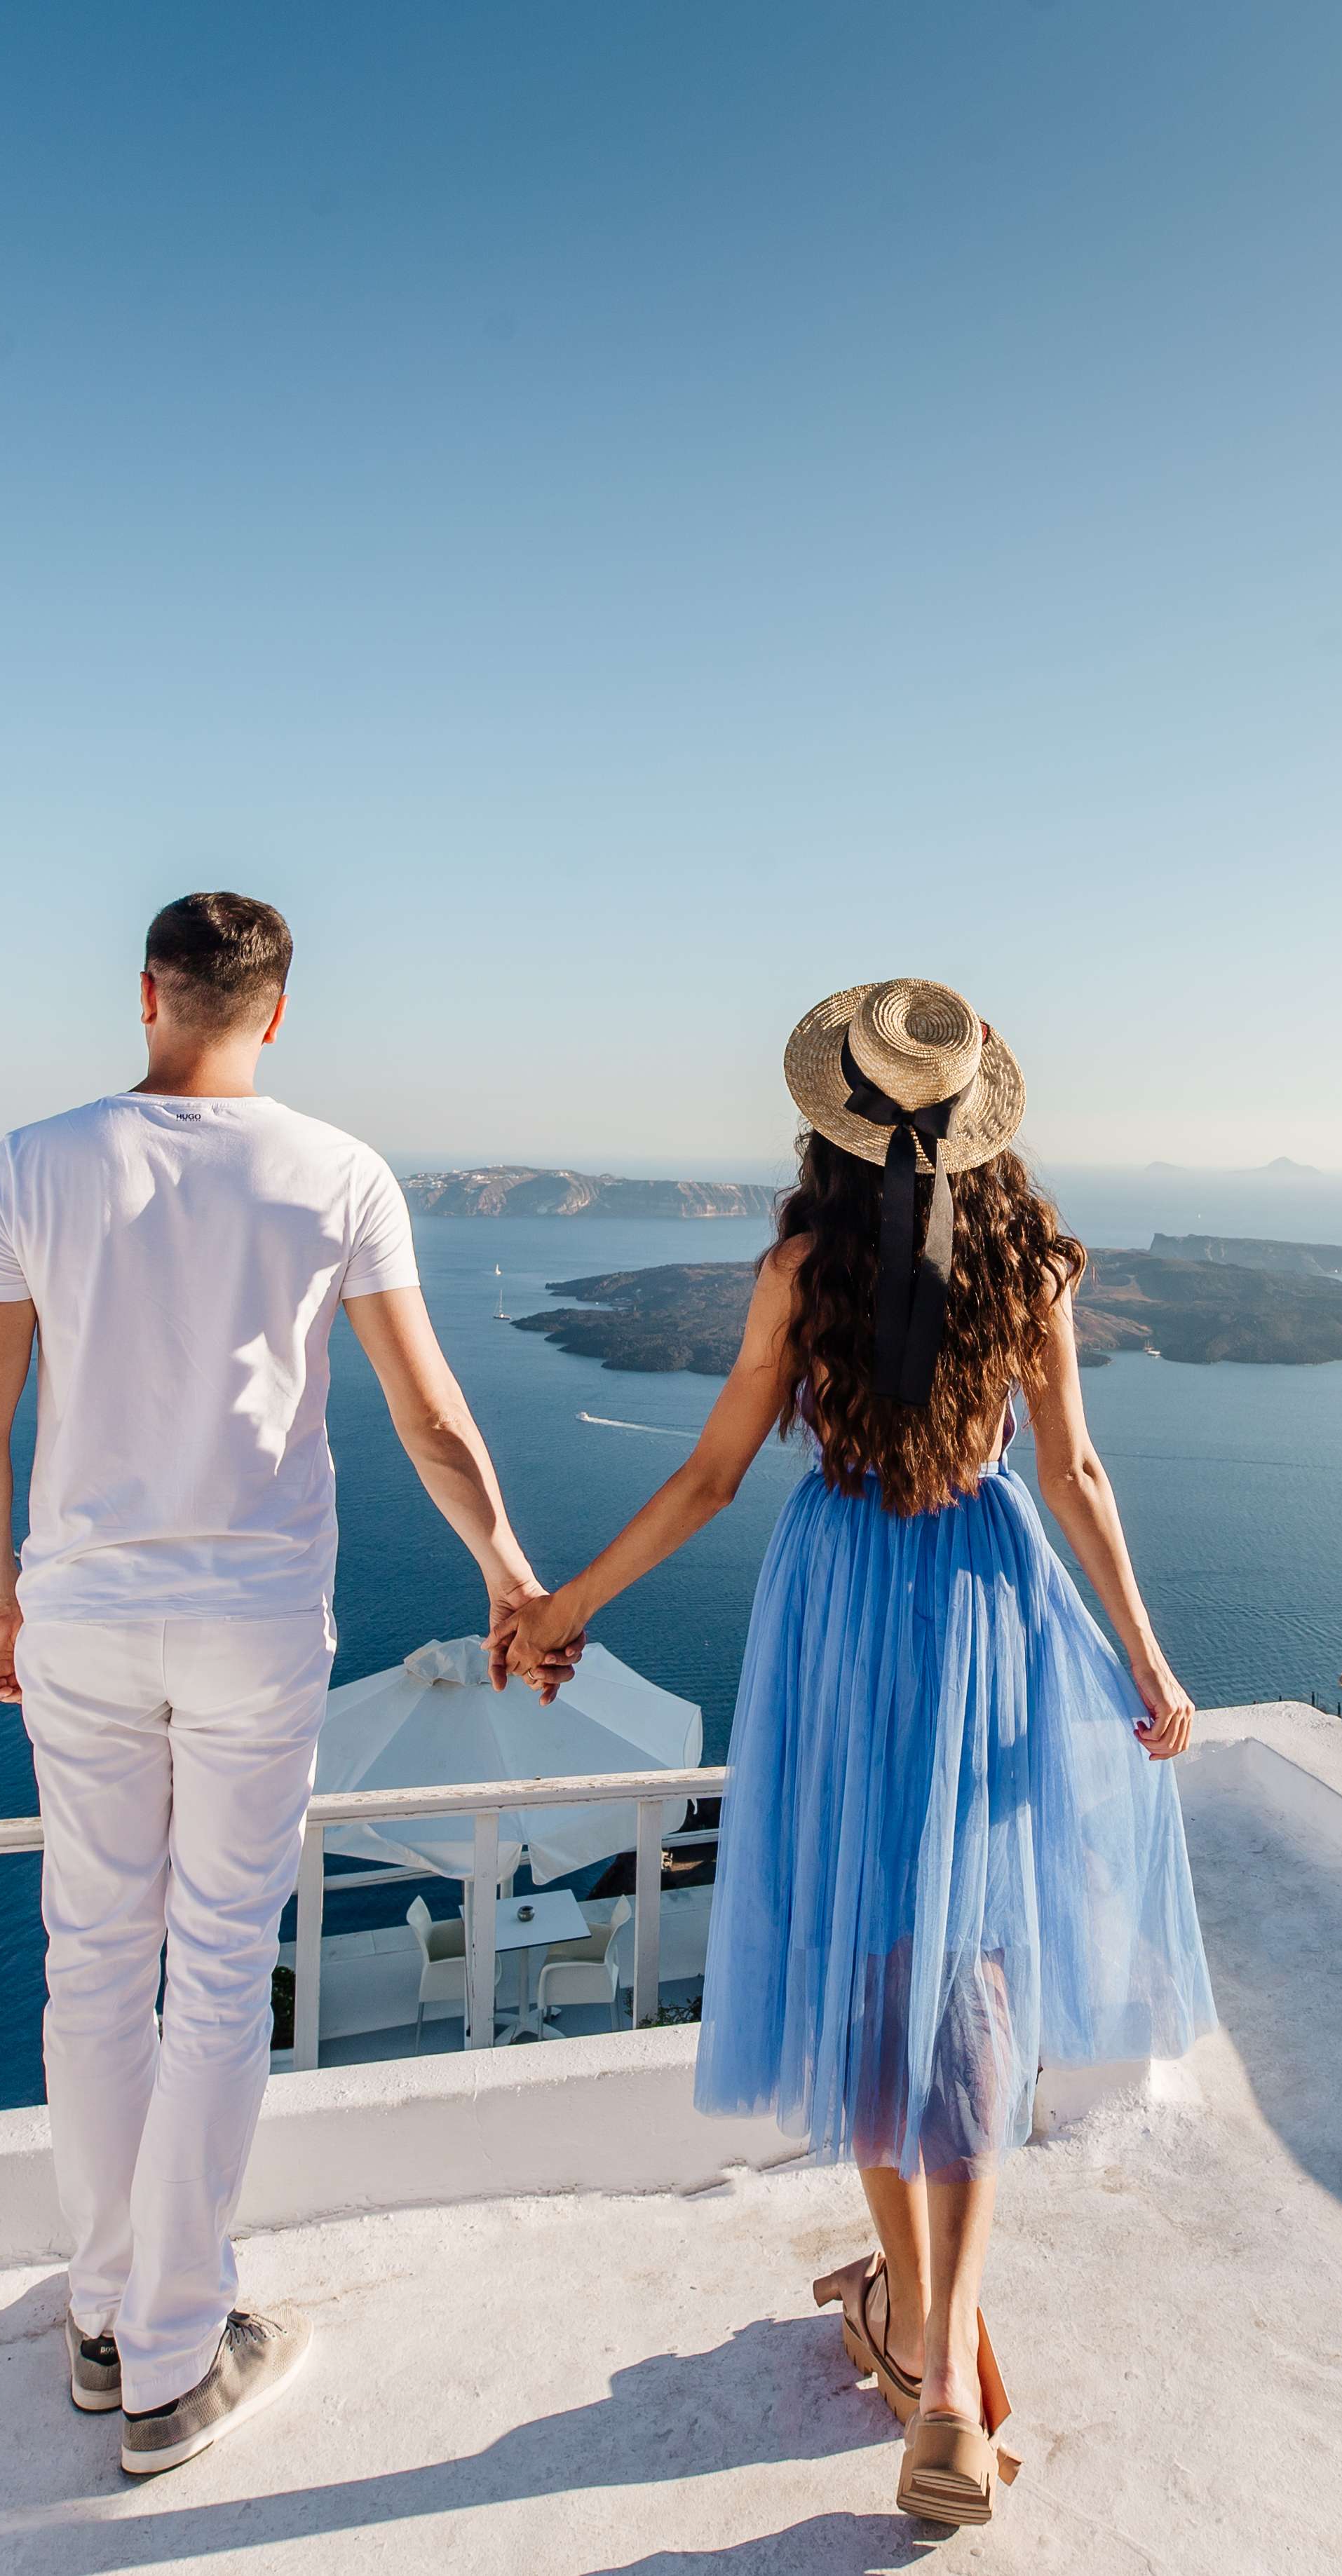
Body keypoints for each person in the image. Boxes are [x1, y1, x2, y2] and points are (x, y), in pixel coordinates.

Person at [496, 976, 1216, 2530]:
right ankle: (945, 2375)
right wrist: (1148, 1660)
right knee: (972, 1967)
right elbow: (1075, 1471)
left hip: (840, 1613)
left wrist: (566, 1609)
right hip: (985, 1611)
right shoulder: (1035, 1262)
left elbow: (707, 1476)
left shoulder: (800, 1268)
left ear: (832, 1116)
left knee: (872, 1950)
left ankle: (915, 2320)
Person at [0, 892, 560, 2477]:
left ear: (147, 992)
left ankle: (103, 2321)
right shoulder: (338, 1172)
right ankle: (173, 2353)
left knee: (94, 1963)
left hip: (80, 1620)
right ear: (275, 1012)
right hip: (256, 1625)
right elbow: (429, 1417)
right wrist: (507, 1573)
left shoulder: (28, 1165)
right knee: (218, 1971)